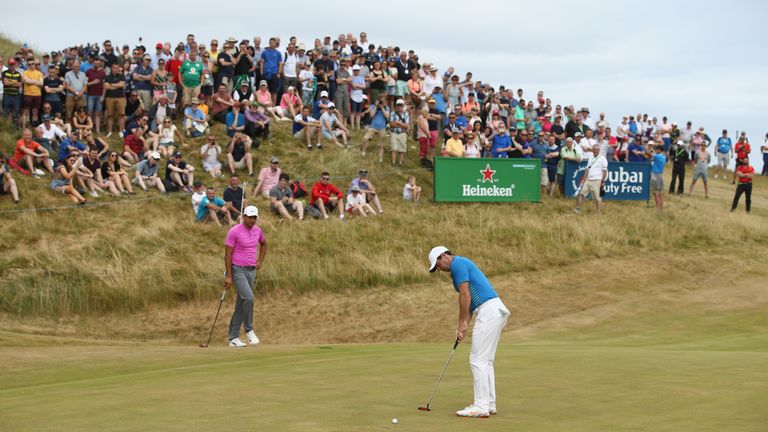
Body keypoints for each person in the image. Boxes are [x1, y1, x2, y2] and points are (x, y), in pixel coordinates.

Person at [427, 246, 510, 418]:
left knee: (477, 359)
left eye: (438, 264)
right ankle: (489, 404)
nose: (439, 269)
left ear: (443, 256)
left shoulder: (458, 264)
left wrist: (461, 322)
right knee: (485, 360)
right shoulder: (461, 266)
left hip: (489, 311)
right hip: (495, 311)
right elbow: (471, 303)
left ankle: (480, 406)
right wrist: (464, 326)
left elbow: (465, 295)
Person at [224, 205, 267, 347]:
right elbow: (227, 254)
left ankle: (233, 338)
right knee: (248, 298)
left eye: (255, 217)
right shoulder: (234, 231)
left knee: (241, 304)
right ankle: (249, 329)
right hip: (238, 270)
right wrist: (229, 276)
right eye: (250, 217)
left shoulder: (258, 230)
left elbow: (264, 244)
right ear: (244, 217)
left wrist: (260, 261)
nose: (252, 220)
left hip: (251, 270)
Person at [574, 144, 608, 214]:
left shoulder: (603, 159)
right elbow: (587, 169)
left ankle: (598, 212)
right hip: (588, 179)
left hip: (597, 180)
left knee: (597, 197)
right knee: (581, 194)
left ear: (599, 150)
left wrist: (603, 181)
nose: (595, 151)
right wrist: (583, 179)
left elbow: (605, 171)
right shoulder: (591, 157)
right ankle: (578, 209)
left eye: (596, 149)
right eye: (594, 149)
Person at [362, 94, 390, 160]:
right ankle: (363, 152)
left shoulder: (387, 108)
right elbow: (371, 115)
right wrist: (375, 106)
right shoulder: (373, 106)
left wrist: (382, 107)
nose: (381, 102)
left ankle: (380, 158)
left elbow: (387, 116)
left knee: (381, 144)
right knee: (365, 138)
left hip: (382, 129)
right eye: (380, 100)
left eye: (382, 100)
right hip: (373, 127)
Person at [389, 99, 410, 165]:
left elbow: (407, 126)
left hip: (403, 133)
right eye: (398, 105)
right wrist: (402, 125)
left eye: (401, 105)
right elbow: (391, 124)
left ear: (403, 106)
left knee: (402, 150)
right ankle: (393, 163)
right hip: (394, 133)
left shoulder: (406, 114)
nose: (399, 106)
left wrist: (398, 123)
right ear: (396, 106)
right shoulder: (392, 113)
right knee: (394, 149)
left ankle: (400, 163)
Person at [649, 145, 667, 211]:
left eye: (656, 149)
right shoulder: (664, 157)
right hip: (660, 174)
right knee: (659, 191)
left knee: (655, 192)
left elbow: (649, 154)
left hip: (655, 174)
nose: (656, 150)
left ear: (659, 150)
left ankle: (657, 207)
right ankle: (661, 205)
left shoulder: (657, 156)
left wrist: (648, 149)